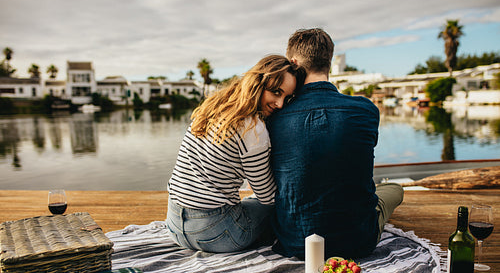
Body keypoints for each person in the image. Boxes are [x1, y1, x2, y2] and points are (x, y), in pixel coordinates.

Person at [267, 28, 404, 259]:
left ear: (293, 63)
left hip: (295, 242)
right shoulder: (366, 109)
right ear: (328, 62)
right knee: (395, 189)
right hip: (357, 241)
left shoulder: (275, 115)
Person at [166, 54, 304, 253]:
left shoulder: (215, 106)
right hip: (216, 233)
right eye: (276, 92)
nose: (280, 104)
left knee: (248, 202)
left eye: (286, 97)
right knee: (274, 207)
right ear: (258, 84)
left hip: (175, 225)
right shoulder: (253, 129)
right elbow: (267, 197)